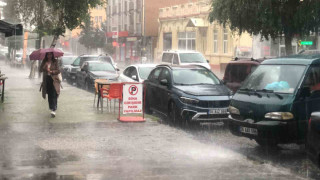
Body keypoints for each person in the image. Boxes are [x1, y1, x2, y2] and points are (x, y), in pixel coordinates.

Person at [40, 52, 61, 117]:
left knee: (54, 94)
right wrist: (45, 66)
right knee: (49, 94)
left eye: (50, 54)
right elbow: (40, 70)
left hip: (54, 80)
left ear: (52, 55)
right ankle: (51, 107)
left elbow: (58, 70)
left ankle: (54, 109)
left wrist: (52, 71)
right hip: (47, 79)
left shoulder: (55, 61)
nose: (49, 56)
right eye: (48, 54)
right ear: (46, 55)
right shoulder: (44, 61)